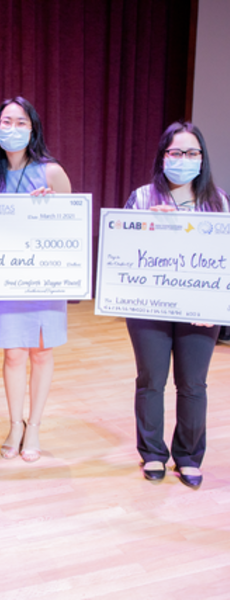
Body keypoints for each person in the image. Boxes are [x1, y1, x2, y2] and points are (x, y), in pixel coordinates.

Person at [124, 121, 228, 489]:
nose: (183, 159)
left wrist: (215, 305)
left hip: (199, 311)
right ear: (163, 156)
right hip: (148, 308)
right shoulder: (141, 199)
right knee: (151, 380)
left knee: (193, 384)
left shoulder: (219, 202)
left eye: (192, 152)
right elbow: (121, 254)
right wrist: (148, 227)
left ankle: (188, 455)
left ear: (202, 158)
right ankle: (152, 452)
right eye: (175, 152)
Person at [0, 97, 72, 463]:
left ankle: (34, 425)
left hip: (46, 278)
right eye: (6, 121)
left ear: (32, 128)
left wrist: (53, 207)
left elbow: (74, 225)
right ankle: (15, 424)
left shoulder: (51, 171)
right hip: (10, 278)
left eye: (20, 122)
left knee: (42, 351)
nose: (13, 128)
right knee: (13, 353)